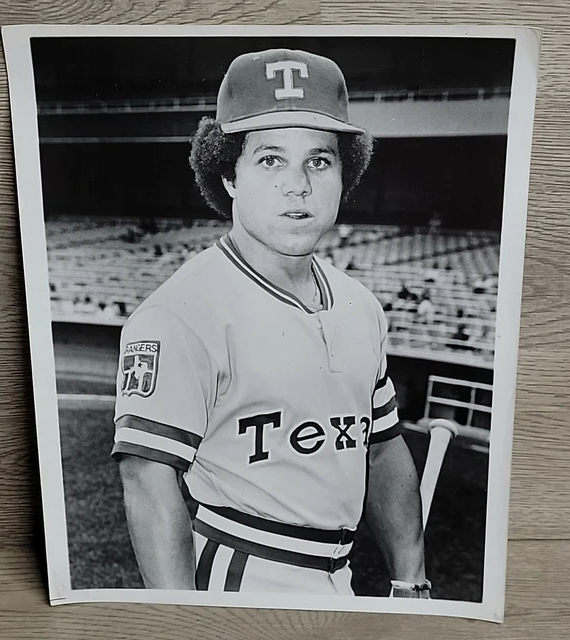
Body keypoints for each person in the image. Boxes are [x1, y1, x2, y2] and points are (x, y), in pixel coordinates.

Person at [111, 48, 428, 599]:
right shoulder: (179, 313)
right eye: (270, 159)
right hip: (239, 576)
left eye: (319, 160)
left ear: (343, 175)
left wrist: (411, 579)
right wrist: (184, 620)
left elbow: (380, 446)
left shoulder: (360, 304)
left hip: (341, 582)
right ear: (228, 176)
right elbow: (147, 478)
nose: (298, 185)